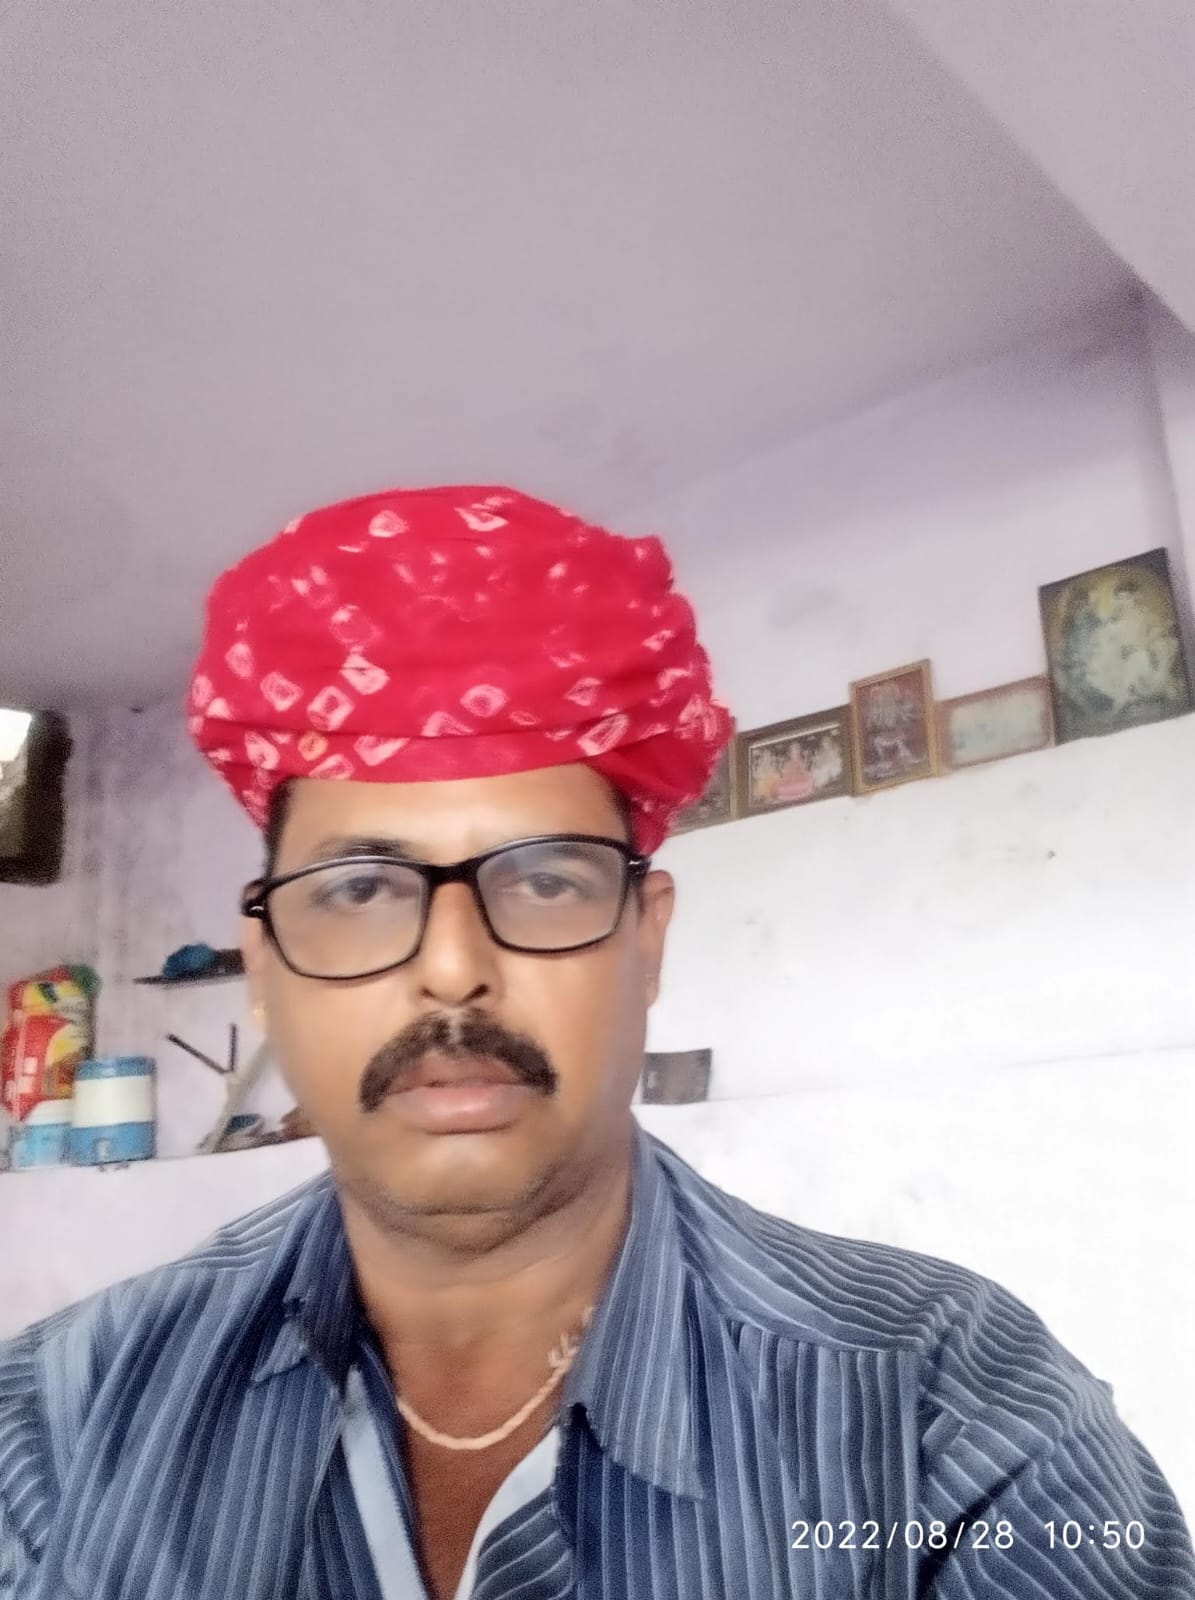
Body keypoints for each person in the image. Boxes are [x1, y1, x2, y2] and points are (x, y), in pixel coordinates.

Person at [1, 486, 1191, 1600]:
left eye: (544, 878)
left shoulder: (949, 1421)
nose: (453, 964)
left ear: (646, 940)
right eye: (360, 888)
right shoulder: (57, 1427)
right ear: (264, 970)